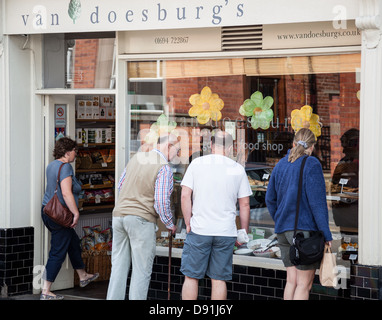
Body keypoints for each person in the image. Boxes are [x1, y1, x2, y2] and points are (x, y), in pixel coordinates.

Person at [180, 131, 251, 300]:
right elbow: (245, 204)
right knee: (219, 279)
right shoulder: (237, 169)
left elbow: (184, 195)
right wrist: (244, 231)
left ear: (211, 145)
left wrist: (188, 222)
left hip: (199, 229)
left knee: (191, 276)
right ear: (230, 147)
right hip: (225, 232)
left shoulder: (197, 164)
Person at [106, 134, 179, 300]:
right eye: (177, 150)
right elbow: (160, 200)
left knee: (118, 267)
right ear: (169, 147)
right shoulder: (163, 167)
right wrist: (169, 223)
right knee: (141, 270)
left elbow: (120, 185)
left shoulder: (136, 158)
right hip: (141, 220)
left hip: (119, 216)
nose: (177, 155)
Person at [265, 128, 332, 300]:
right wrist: (326, 233)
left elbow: (269, 199)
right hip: (304, 234)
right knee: (304, 285)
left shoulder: (281, 164)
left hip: (283, 232)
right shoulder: (312, 164)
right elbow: (317, 204)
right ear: (312, 147)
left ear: (293, 143)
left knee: (291, 282)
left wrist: (280, 218)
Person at [41, 137, 99, 300]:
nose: (76, 154)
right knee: (58, 251)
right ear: (67, 152)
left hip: (48, 211)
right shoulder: (65, 167)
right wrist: (76, 213)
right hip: (60, 214)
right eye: (75, 151)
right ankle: (46, 291)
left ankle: (83, 275)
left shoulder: (51, 165)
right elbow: (66, 193)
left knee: (73, 243)